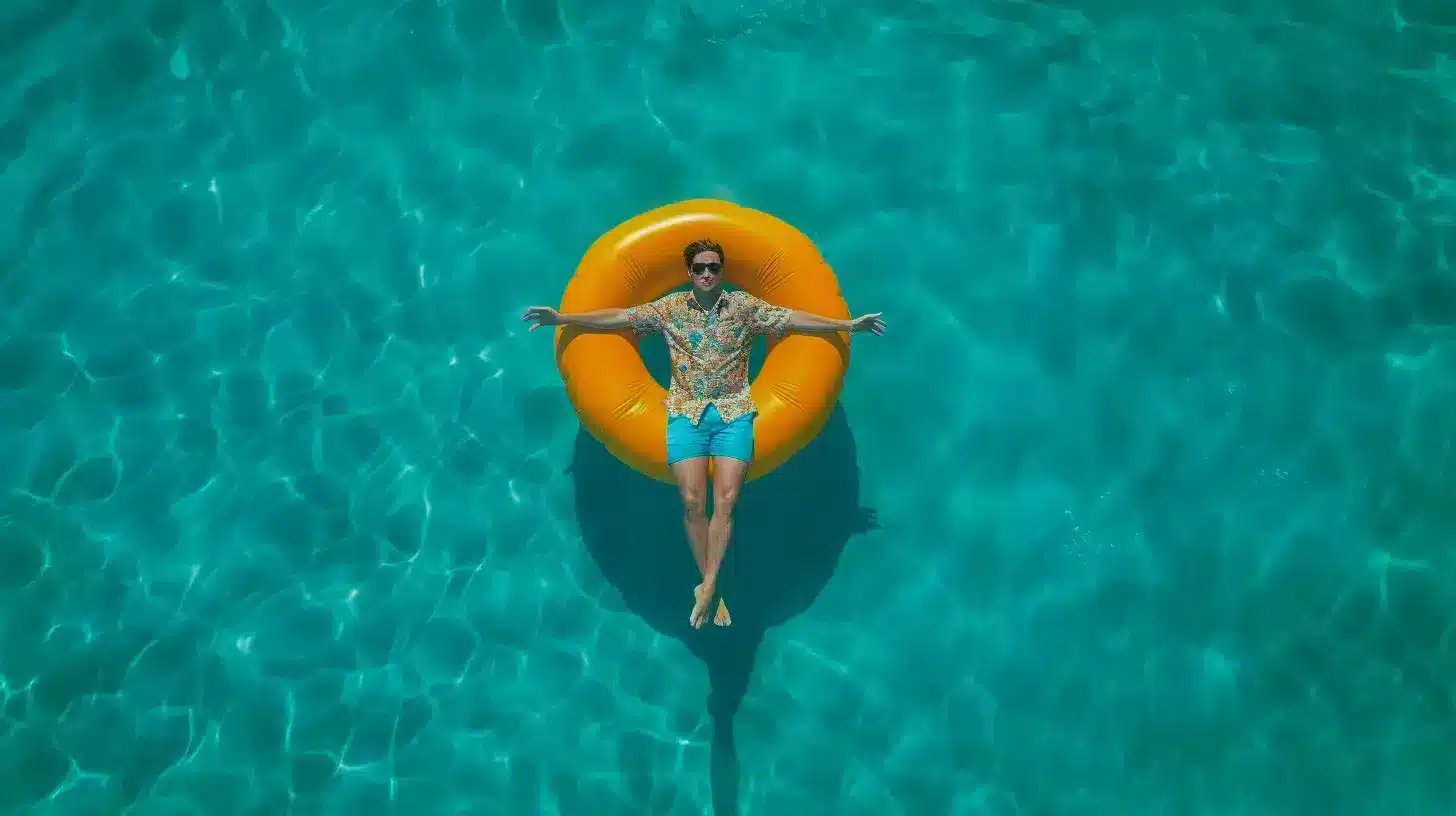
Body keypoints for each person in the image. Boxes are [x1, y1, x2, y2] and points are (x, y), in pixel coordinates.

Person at [523, 239, 885, 629]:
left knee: (726, 501)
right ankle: (710, 584)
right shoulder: (670, 309)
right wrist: (563, 319)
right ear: (689, 272)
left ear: (722, 270)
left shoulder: (744, 308)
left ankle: (709, 586)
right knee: (693, 503)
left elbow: (792, 319)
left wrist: (846, 326)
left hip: (733, 414)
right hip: (685, 414)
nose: (707, 274)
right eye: (699, 268)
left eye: (713, 267)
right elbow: (620, 317)